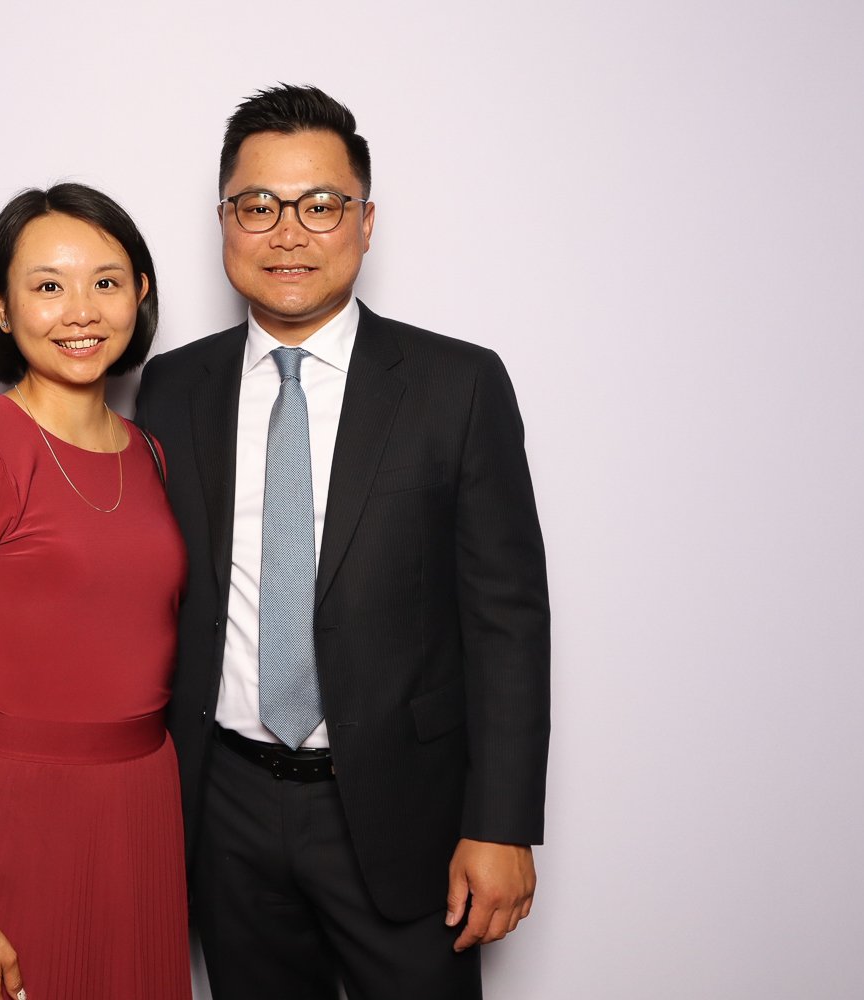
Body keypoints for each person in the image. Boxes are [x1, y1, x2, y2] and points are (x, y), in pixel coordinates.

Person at [135, 85, 551, 999]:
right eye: (259, 205)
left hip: (406, 809)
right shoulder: (172, 387)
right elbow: (132, 575)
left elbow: (508, 622)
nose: (288, 232)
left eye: (320, 205)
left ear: (365, 223)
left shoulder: (456, 385)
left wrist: (503, 823)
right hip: (225, 808)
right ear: (224, 223)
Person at [0, 183, 191, 1000]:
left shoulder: (153, 455)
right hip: (12, 820)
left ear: (140, 293)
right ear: (0, 304)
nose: (80, 311)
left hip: (141, 817)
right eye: (48, 285)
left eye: (106, 282)